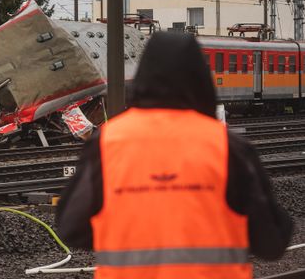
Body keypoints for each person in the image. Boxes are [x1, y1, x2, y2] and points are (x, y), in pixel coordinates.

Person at [56, 32, 293, 279]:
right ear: (200, 79)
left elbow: (72, 228)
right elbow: (272, 241)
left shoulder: (106, 144)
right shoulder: (227, 147)